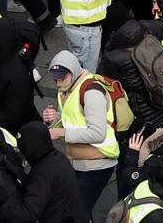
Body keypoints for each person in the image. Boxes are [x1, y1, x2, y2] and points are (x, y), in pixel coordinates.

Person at [42, 50, 119, 220]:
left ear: (74, 71)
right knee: (77, 207)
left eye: (62, 77)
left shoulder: (91, 93)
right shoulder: (66, 88)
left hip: (98, 162)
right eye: (55, 79)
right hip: (79, 160)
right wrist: (53, 120)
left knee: (78, 210)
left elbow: (97, 133)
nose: (58, 82)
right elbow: (73, 120)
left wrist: (60, 132)